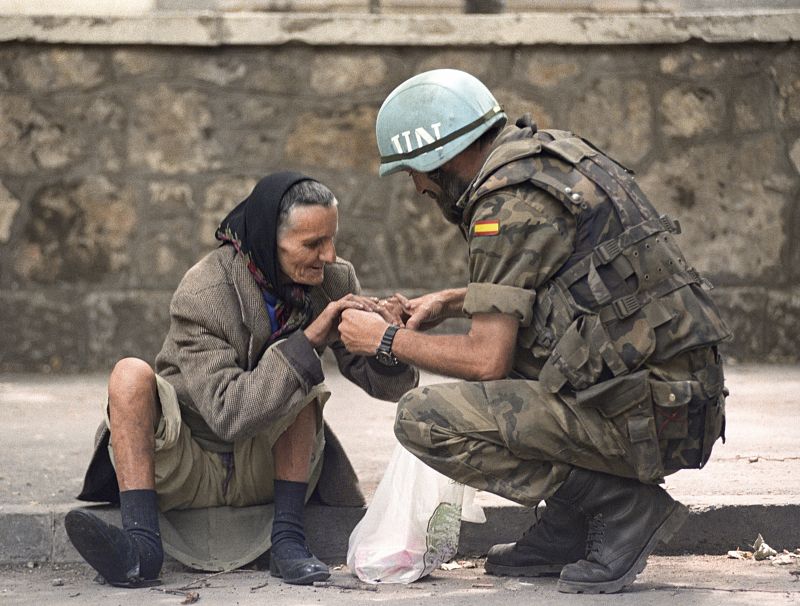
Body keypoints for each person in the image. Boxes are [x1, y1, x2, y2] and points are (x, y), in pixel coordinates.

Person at [338, 69, 731, 594]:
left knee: (425, 420)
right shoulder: (546, 159)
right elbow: (560, 285)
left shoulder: (504, 205)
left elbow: (486, 360)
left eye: (416, 171)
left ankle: (621, 507)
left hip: (651, 415)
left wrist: (383, 339)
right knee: (515, 361)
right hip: (673, 399)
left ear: (443, 156)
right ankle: (570, 522)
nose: (418, 187)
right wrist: (454, 301)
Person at [66, 172, 418, 588]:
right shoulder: (204, 291)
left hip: (264, 466)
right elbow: (227, 415)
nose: (328, 255)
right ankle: (142, 548)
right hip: (187, 463)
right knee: (129, 374)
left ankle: (288, 541)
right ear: (269, 241)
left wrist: (389, 342)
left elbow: (386, 386)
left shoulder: (333, 280)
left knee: (301, 376)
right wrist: (307, 340)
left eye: (331, 239)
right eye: (312, 244)